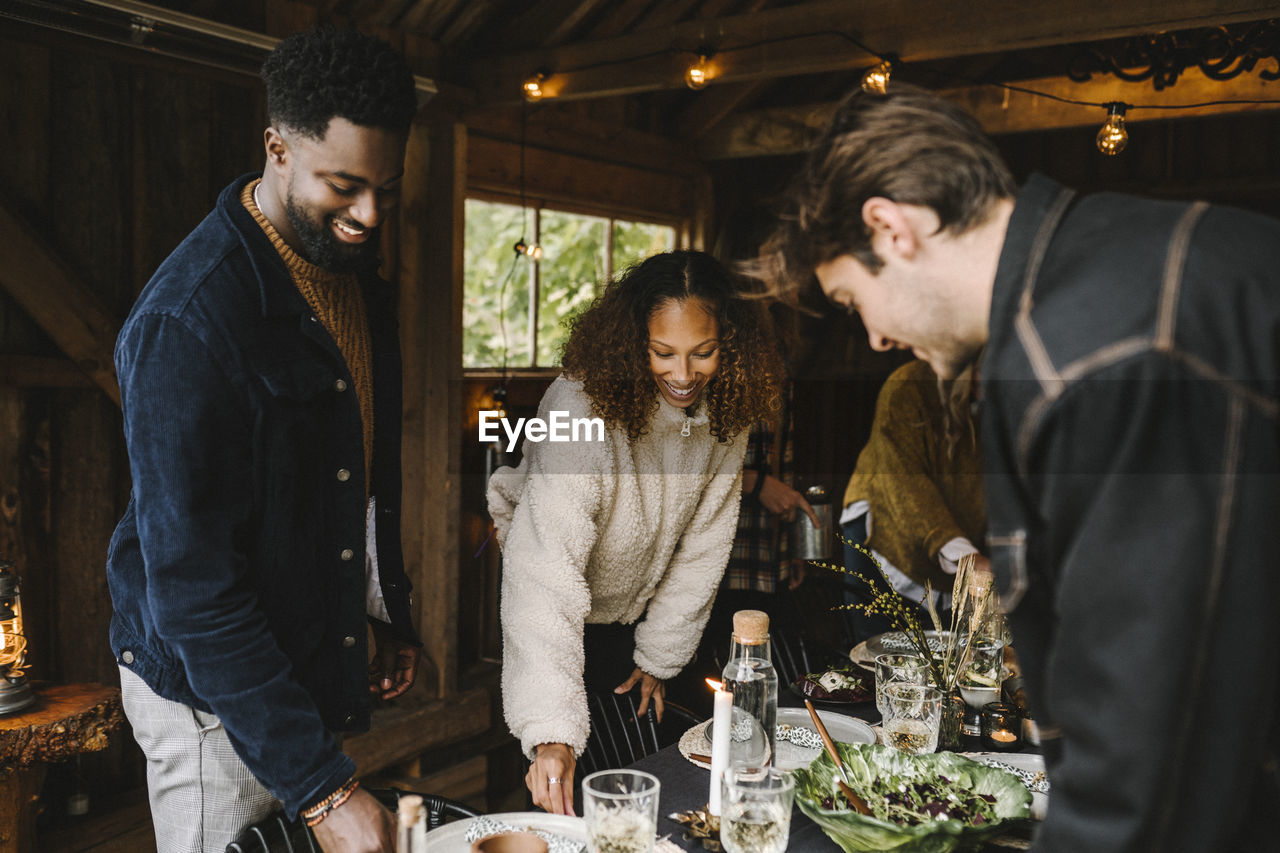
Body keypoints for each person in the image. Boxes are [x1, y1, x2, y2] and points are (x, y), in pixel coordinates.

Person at [754, 83, 1279, 852]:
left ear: (890, 228)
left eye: (853, 298)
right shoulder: (1116, 251)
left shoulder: (1086, 354)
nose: (875, 339)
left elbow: (1149, 759)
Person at [106, 28, 422, 853]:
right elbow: (193, 595)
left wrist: (369, 619)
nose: (370, 214)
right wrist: (324, 789)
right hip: (210, 703)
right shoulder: (189, 322)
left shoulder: (352, 272)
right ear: (277, 149)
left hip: (293, 673)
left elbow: (342, 477)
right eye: (345, 186)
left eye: (387, 187)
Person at [487, 250, 782, 815]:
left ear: (733, 346)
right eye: (662, 353)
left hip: (638, 617)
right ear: (630, 344)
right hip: (552, 614)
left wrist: (659, 654)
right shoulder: (582, 409)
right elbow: (544, 574)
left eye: (705, 353)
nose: (683, 374)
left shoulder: (726, 412)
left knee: (662, 794)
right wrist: (551, 730)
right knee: (566, 782)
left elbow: (706, 542)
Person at [839, 358, 986, 641]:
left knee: (948, 661)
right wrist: (971, 559)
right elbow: (905, 485)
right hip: (884, 533)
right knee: (876, 659)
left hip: (953, 552)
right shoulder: (908, 386)